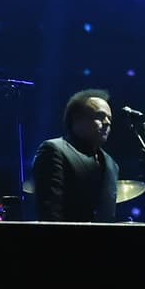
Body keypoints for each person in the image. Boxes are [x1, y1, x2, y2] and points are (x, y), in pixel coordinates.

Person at [30, 88, 119, 222]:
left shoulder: (111, 164)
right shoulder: (54, 150)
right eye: (100, 116)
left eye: (109, 118)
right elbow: (50, 211)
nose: (107, 122)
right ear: (77, 119)